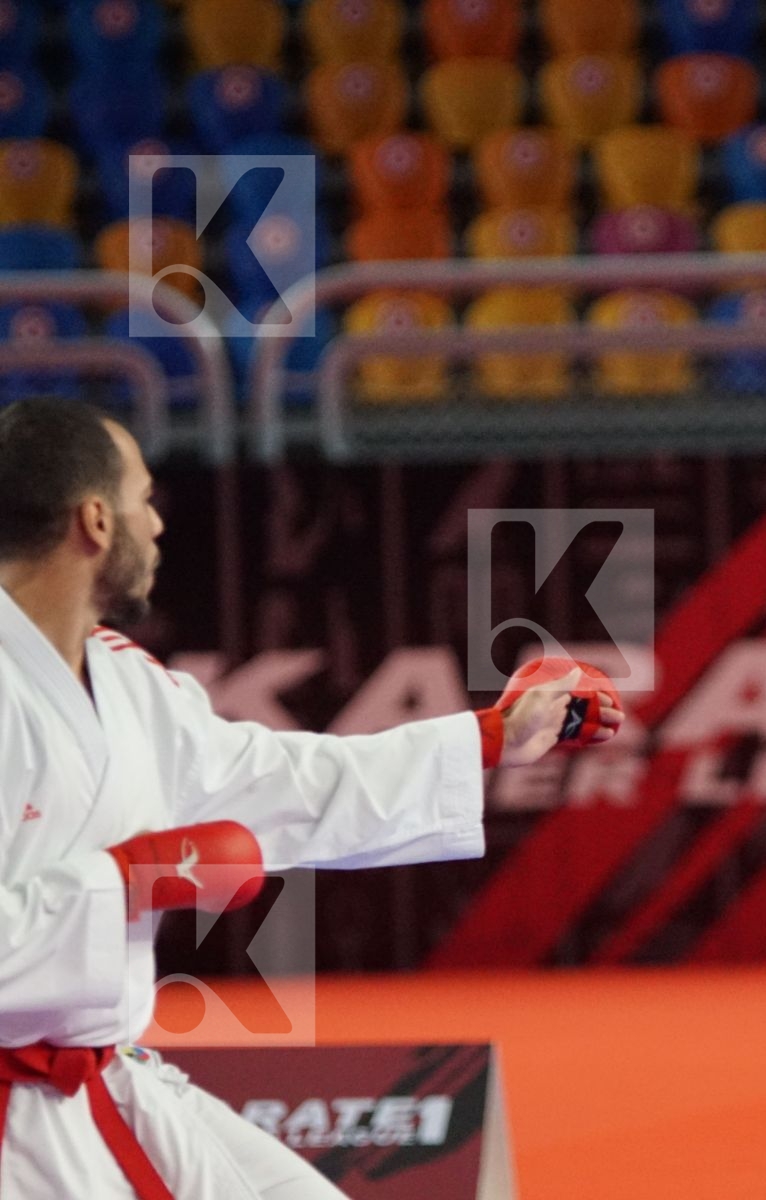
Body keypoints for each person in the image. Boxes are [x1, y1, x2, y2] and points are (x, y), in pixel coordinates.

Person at [0, 399, 623, 1198]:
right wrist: (121, 882)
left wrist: (490, 738)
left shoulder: (122, 679)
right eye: (142, 500)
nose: (156, 525)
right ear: (93, 521)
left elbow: (280, 784)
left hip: (101, 1084)